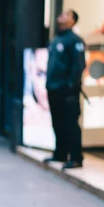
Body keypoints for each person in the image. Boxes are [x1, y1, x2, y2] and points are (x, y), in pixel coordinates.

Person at [43, 9, 86, 170]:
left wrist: (71, 85)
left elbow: (78, 65)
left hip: (67, 91)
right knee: (57, 122)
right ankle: (60, 153)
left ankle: (76, 157)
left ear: (73, 21)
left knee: (70, 123)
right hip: (53, 88)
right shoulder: (55, 40)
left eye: (66, 15)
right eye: (61, 14)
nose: (60, 16)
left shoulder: (75, 41)